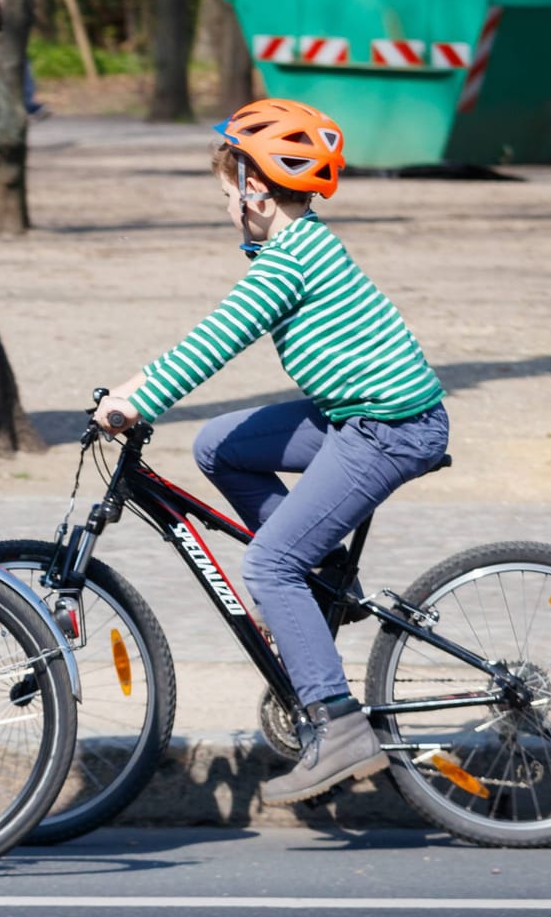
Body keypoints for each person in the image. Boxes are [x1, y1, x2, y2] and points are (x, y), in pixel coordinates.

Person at [93, 98, 450, 806]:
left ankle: (338, 725)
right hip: (352, 415)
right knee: (218, 445)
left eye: (227, 194)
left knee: (267, 563)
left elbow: (216, 339)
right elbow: (208, 337)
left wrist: (139, 396)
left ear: (257, 191)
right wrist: (134, 386)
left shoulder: (290, 264)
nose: (226, 207)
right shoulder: (294, 248)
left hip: (389, 428)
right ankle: (321, 580)